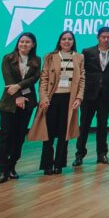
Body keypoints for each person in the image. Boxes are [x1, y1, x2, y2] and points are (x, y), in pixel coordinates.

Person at [28, 30, 86, 175]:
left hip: (69, 100)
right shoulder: (50, 57)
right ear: (59, 42)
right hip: (52, 99)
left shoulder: (79, 57)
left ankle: (59, 164)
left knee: (63, 134)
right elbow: (44, 79)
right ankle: (47, 165)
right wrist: (43, 98)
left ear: (73, 42)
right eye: (64, 39)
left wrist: (79, 98)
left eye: (70, 39)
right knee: (48, 133)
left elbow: (82, 80)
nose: (67, 41)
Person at [73, 26, 109, 167]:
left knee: (103, 125)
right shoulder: (87, 52)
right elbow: (81, 73)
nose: (106, 39)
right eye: (103, 37)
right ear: (98, 37)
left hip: (106, 95)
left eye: (108, 37)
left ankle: (102, 154)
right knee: (84, 126)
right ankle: (79, 155)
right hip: (89, 94)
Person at [0, 32, 41, 183]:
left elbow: (34, 78)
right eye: (22, 41)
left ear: (33, 45)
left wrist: (20, 88)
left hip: (27, 103)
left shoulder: (36, 60)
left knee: (20, 136)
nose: (24, 44)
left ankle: (12, 166)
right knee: (6, 135)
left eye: (28, 42)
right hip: (9, 103)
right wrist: (18, 96)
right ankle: (2, 169)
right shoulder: (8, 58)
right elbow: (8, 81)